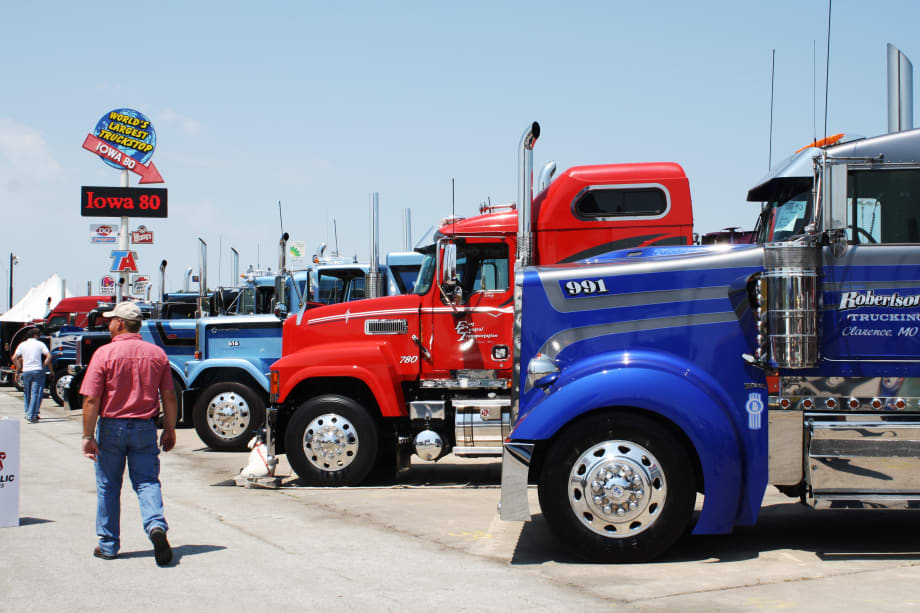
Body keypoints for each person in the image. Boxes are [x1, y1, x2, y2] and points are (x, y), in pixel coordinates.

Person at [79, 301, 177, 566]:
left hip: (112, 427)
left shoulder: (104, 354)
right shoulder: (157, 354)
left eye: (111, 320)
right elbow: (168, 395)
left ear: (120, 323)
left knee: (109, 485)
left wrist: (88, 436)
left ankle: (109, 545)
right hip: (145, 426)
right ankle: (156, 527)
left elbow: (91, 399)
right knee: (147, 482)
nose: (108, 324)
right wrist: (169, 429)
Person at [12, 327, 51, 423]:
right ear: (35, 335)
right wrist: (44, 365)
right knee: (35, 393)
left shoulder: (22, 345)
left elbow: (14, 357)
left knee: (27, 392)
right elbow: (49, 356)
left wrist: (19, 367)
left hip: (26, 370)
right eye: (38, 335)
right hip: (37, 369)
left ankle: (27, 411)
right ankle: (31, 414)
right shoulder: (40, 344)